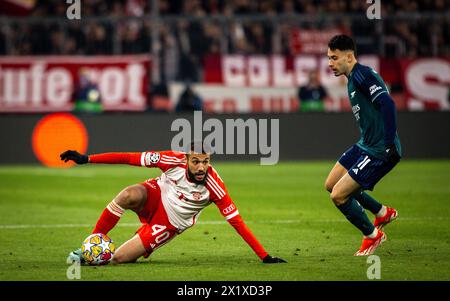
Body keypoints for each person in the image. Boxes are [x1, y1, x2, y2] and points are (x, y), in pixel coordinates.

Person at [61, 142, 286, 264]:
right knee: (127, 194)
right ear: (186, 159)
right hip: (157, 193)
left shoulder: (215, 186)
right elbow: (130, 158)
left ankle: (123, 246)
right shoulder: (171, 159)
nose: (201, 167)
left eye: (205, 162)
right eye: (196, 161)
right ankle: (88, 248)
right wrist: (88, 159)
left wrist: (264, 257)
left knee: (119, 259)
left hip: (169, 222)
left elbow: (237, 223)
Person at [325, 35, 402, 256]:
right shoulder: (352, 78)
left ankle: (372, 235)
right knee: (331, 184)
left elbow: (387, 103)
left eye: (334, 57)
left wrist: (389, 144)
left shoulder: (361, 75)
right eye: (329, 58)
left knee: (338, 196)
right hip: (365, 144)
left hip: (379, 150)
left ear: (349, 56)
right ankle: (381, 212)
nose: (330, 63)